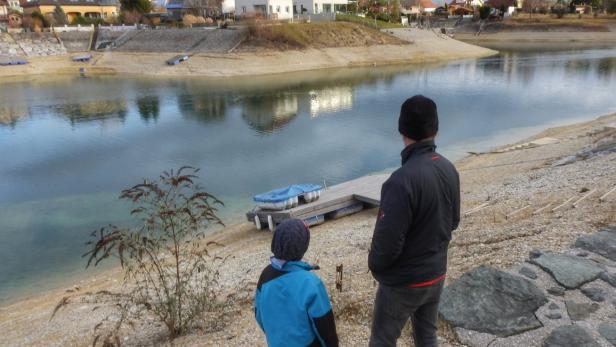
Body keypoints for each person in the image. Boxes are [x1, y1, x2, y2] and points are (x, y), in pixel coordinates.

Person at [368, 95, 461, 347]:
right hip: (436, 273)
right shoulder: (449, 168)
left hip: (403, 282)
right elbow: (453, 222)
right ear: (436, 129)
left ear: (402, 130)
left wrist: (377, 268)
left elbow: (386, 246)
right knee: (427, 335)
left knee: (382, 340)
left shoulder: (400, 181)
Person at [254, 218, 339, 347]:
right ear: (303, 247)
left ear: (275, 242)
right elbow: (324, 326)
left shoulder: (265, 275)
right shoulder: (311, 283)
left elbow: (259, 315)